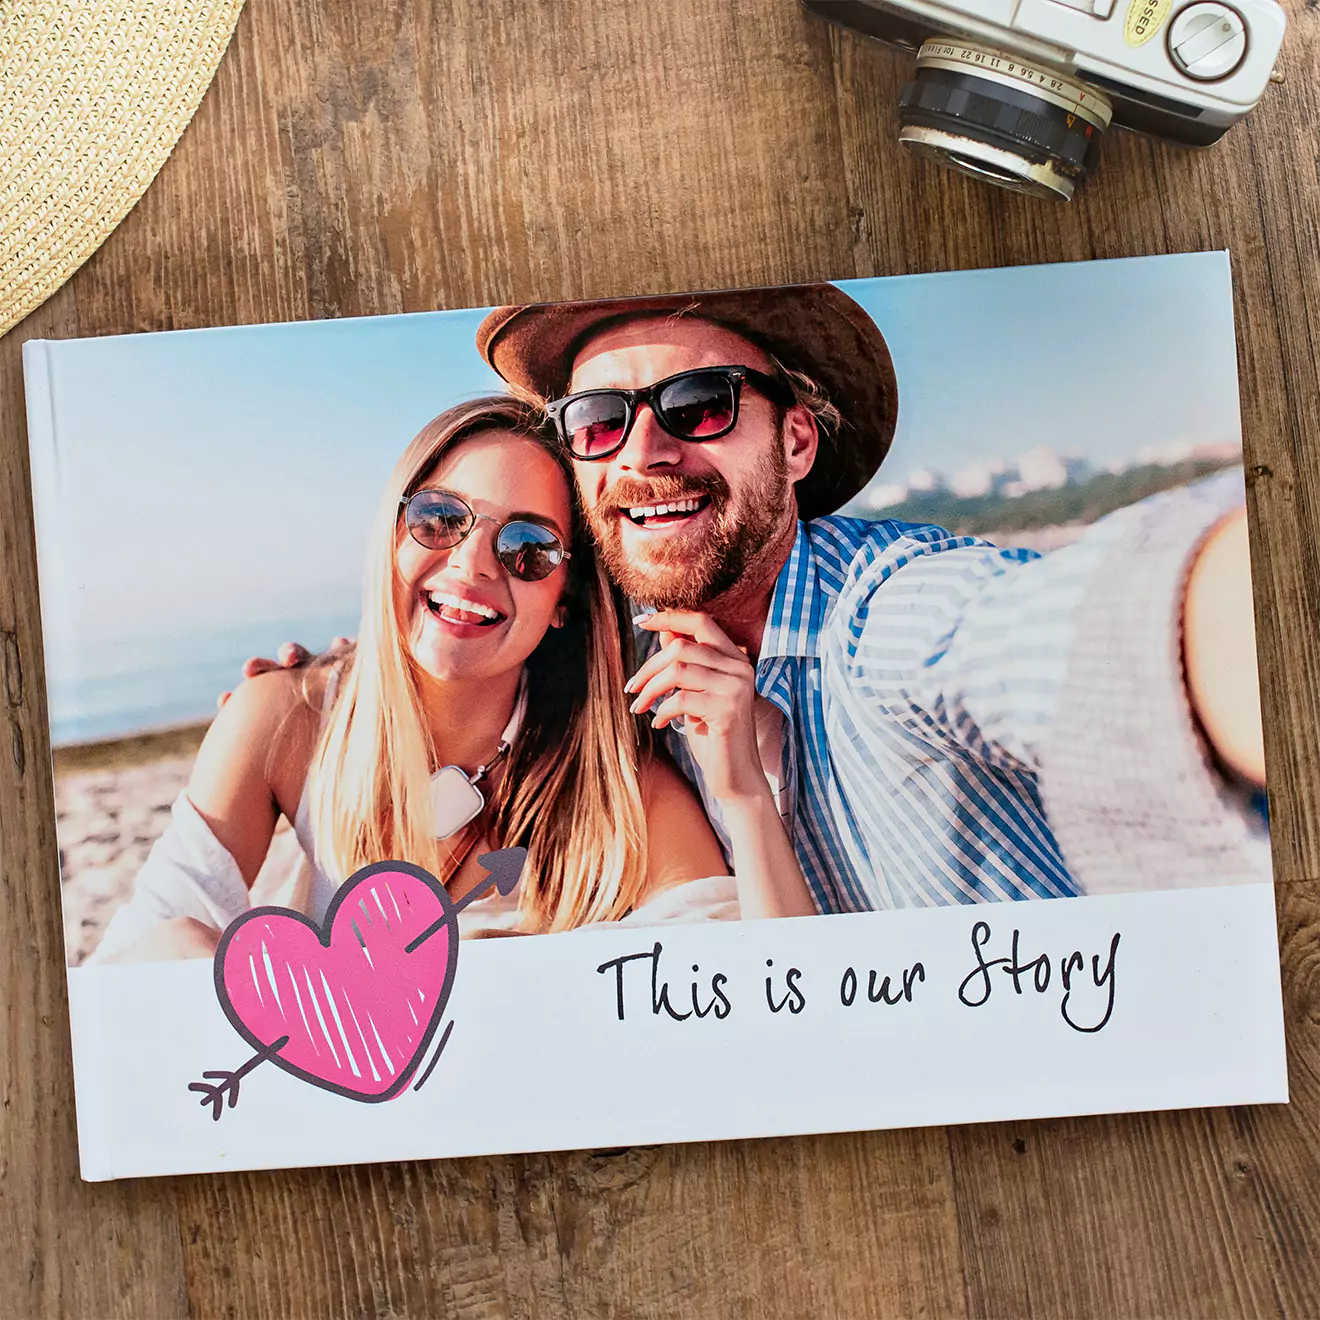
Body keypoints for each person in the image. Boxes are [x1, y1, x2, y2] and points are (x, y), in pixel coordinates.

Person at [468, 284, 1268, 911]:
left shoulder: (884, 613)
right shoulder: (615, 663)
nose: (643, 452)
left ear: (795, 443)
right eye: (599, 419)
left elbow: (1077, 631)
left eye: (700, 404)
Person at [95, 396, 816, 963]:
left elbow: (769, 993)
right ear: (393, 530)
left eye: (527, 546)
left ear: (566, 597)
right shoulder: (286, 717)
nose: (472, 564)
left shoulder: (615, 786)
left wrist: (745, 793)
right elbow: (140, 952)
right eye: (440, 519)